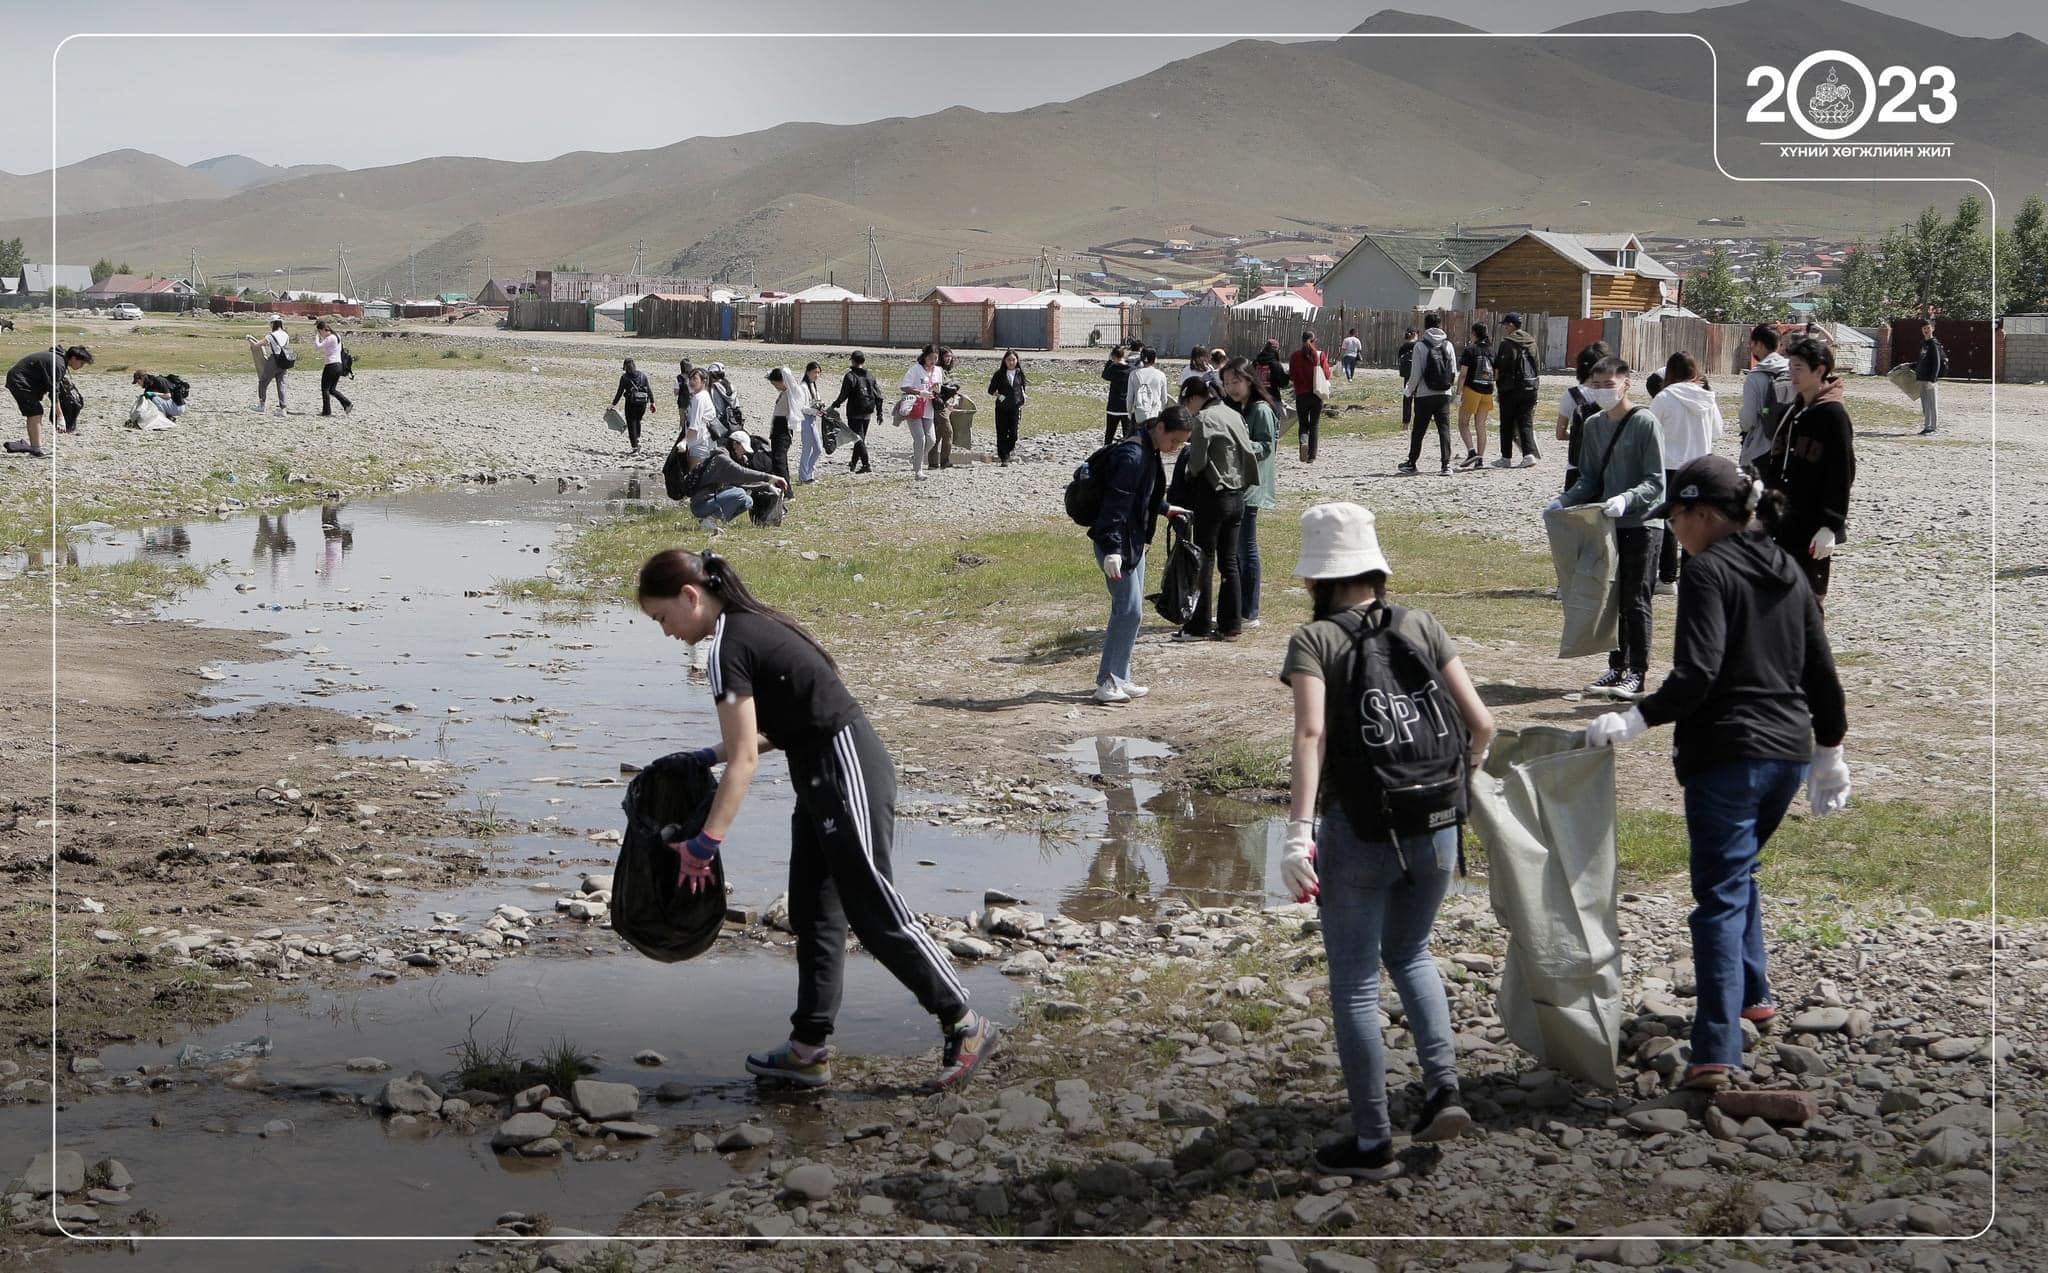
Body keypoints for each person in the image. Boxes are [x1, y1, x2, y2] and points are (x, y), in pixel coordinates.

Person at [635, 549, 998, 1090]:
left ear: (690, 597)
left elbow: (746, 761)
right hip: (818, 773)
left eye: (663, 618)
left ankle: (966, 1022)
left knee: (874, 907)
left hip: (844, 767)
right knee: (814, 913)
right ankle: (808, 1049)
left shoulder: (729, 647)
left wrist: (706, 843)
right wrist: (702, 757)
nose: (666, 632)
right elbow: (782, 722)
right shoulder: (748, 629)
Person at [1585, 453, 1849, 1091]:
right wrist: (1829, 751)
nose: (1673, 529)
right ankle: (1755, 994)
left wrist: (1636, 719)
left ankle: (1717, 1050)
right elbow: (1821, 673)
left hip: (1728, 756)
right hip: (1787, 756)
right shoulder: (1788, 567)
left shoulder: (1708, 572)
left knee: (1718, 899)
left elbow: (1697, 674)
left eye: (1675, 517)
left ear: (1703, 514)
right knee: (1739, 873)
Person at [1279, 501, 1494, 1180]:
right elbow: (1481, 723)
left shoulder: (1314, 642)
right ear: (1374, 565)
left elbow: (1311, 735)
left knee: (1353, 986)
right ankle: (1443, 1089)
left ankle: (1373, 1140)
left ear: (1317, 577)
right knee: (1412, 949)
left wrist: (1296, 833)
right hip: (1434, 827)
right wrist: (1454, 783)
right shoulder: (1420, 624)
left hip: (1359, 832)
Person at [1549, 357, 1667, 700]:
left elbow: (1655, 481)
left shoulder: (1645, 422)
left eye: (1609, 383)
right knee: (1612, 597)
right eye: (1596, 385)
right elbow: (1588, 478)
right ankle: (1617, 666)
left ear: (1626, 382)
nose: (1602, 391)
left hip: (1643, 521)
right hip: (1608, 522)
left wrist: (1627, 500)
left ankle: (1638, 673)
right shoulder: (1594, 424)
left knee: (1636, 598)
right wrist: (1564, 500)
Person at [1089, 407, 1194, 704]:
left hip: (1134, 543)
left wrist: (1166, 508)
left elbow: (1142, 495)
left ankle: (1120, 676)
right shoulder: (1133, 455)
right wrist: (1111, 550)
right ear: (1160, 427)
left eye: (1181, 444)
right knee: (1129, 609)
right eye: (1174, 440)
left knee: (1129, 612)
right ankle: (1107, 682)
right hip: (1118, 545)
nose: (1174, 448)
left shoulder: (1149, 450)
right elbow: (1114, 505)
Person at [1762, 336, 1855, 604]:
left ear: (1820, 370)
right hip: (1783, 522)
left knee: (1808, 603)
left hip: (1812, 526)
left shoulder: (1833, 415)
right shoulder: (1794, 411)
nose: (1792, 373)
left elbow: (1842, 473)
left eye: (1799, 367)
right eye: (1790, 366)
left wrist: (1831, 525)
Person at [1170, 378, 1257, 642]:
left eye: (1187, 403)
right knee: (1229, 562)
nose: (1188, 410)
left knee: (1204, 561)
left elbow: (1197, 462)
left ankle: (1198, 626)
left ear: (1195, 397)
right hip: (1237, 496)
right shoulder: (1234, 414)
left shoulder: (1204, 419)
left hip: (1213, 496)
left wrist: (1186, 474)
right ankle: (1231, 625)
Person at [1646, 351, 1725, 592]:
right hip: (1700, 464)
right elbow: (1717, 432)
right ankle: (1692, 575)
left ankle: (1668, 577)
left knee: (1671, 521)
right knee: (1697, 521)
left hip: (1670, 465)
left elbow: (1651, 430)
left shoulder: (1664, 397)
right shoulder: (1707, 397)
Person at [1223, 356, 1280, 629]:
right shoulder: (1239, 407)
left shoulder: (1259, 409)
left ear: (1249, 380)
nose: (1231, 387)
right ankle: (1240, 607)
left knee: (1246, 549)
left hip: (1252, 487)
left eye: (1236, 381)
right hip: (1238, 485)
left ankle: (1250, 611)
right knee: (1235, 552)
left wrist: (1239, 446)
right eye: (1226, 382)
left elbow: (1267, 445)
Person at [678, 427, 790, 532]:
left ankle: (711, 521)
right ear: (735, 444)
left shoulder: (728, 459)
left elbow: (743, 482)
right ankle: (710, 520)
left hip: (710, 501)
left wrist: (768, 486)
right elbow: (742, 473)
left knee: (748, 501)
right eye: (743, 448)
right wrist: (770, 477)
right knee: (739, 493)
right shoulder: (722, 459)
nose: (744, 452)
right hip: (700, 504)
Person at [5, 345, 90, 457]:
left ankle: (36, 446)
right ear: (74, 358)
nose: (81, 366)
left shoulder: (59, 360)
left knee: (35, 411)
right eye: (82, 363)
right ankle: (36, 449)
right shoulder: (58, 364)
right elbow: (54, 392)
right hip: (19, 381)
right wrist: (60, 417)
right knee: (35, 412)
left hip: (24, 381)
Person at [1399, 312, 1457, 476]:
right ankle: (1446, 465)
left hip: (1425, 393)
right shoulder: (1448, 345)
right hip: (1444, 393)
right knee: (1444, 429)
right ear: (1440, 325)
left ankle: (1412, 462)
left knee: (1419, 430)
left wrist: (1409, 391)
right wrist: (1448, 388)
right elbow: (1453, 370)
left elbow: (1416, 373)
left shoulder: (1420, 346)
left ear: (1425, 326)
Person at [1556, 340, 1611, 490]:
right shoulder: (1613, 394)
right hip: (1609, 464)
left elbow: (1560, 434)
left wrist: (1578, 434)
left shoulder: (1571, 395)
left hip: (1578, 464)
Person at [1490, 313, 1541, 468]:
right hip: (1531, 387)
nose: (1504, 327)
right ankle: (1529, 454)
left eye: (1506, 324)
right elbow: (1537, 365)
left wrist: (1498, 383)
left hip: (1511, 389)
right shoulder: (1532, 342)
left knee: (1507, 423)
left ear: (1512, 325)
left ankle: (1506, 457)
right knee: (1525, 422)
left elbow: (1502, 367)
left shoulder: (1507, 343)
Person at [1737, 325, 1791, 468]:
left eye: (1752, 343)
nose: (1751, 347)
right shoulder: (1793, 370)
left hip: (1761, 446)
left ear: (1759, 345)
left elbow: (1749, 419)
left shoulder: (1754, 377)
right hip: (1789, 444)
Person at [829, 351, 882, 474]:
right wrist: (880, 413)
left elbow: (843, 395)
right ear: (863, 361)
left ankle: (866, 464)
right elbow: (878, 396)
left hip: (854, 412)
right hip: (868, 411)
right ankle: (853, 464)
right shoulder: (870, 376)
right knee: (860, 438)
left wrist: (834, 405)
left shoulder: (850, 376)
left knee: (857, 438)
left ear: (852, 361)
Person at [1454, 322, 1495, 471]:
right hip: (1487, 391)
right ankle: (1480, 459)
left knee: (1463, 423)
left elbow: (1463, 374)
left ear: (1474, 334)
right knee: (1480, 425)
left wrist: (1458, 394)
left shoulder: (1470, 350)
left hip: (1472, 389)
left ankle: (1471, 452)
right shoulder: (1491, 350)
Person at [1288, 331, 1334, 463]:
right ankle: (1312, 456)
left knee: (1303, 424)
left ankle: (1303, 443)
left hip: (1301, 394)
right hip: (1316, 394)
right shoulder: (1319, 355)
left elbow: (1291, 376)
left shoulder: (1294, 356)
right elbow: (1326, 374)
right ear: (1314, 340)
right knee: (1314, 425)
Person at [899, 346, 942, 481]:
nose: (933, 361)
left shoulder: (938, 371)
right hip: (915, 408)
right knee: (920, 439)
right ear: (924, 356)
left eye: (935, 358)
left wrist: (935, 390)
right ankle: (918, 471)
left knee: (931, 440)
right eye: (930, 358)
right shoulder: (916, 369)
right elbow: (904, 386)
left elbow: (939, 388)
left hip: (928, 409)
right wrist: (919, 392)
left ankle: (915, 457)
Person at [987, 349, 1027, 466]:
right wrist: (999, 396)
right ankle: (1004, 457)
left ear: (1017, 360)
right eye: (1009, 360)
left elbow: (1022, 387)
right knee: (1002, 432)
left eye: (1013, 360)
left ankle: (1008, 449)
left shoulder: (1020, 373)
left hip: (1015, 407)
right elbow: (990, 390)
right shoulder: (999, 374)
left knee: (1014, 434)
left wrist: (1023, 397)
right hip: (1002, 408)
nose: (1011, 362)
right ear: (1005, 361)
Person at [309, 320, 354, 420]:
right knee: (332, 389)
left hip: (331, 365)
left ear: (322, 330)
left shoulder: (330, 338)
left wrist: (316, 337)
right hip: (338, 365)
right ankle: (347, 404)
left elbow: (317, 347)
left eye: (320, 332)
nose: (321, 335)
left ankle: (326, 411)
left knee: (325, 389)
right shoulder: (337, 336)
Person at [247, 318, 291, 416]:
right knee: (281, 385)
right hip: (284, 361)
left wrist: (250, 339)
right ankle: (283, 409)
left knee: (263, 382)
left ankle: (261, 406)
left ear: (273, 324)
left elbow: (256, 346)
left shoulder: (271, 336)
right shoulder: (286, 335)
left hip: (274, 361)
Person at [765, 367, 800, 485]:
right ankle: (784, 487)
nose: (775, 387)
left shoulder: (790, 394)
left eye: (775, 384)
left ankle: (786, 491)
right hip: (778, 428)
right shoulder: (785, 393)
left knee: (779, 460)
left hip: (783, 429)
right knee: (779, 460)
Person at [611, 356, 653, 452]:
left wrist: (613, 405)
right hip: (643, 403)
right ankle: (638, 439)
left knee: (631, 423)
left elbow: (619, 392)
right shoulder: (643, 375)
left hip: (631, 403)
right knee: (638, 421)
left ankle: (635, 446)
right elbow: (649, 389)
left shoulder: (624, 377)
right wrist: (652, 402)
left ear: (625, 367)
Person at [927, 347, 959, 470]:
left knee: (938, 434)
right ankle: (943, 461)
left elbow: (956, 387)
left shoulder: (951, 371)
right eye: (946, 356)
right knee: (947, 432)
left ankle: (935, 463)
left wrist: (954, 398)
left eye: (950, 356)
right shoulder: (937, 371)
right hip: (938, 406)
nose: (948, 359)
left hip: (948, 405)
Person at [794, 362, 826, 484]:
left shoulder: (813, 386)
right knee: (807, 449)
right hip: (805, 419)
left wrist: (820, 408)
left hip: (813, 420)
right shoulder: (803, 387)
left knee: (818, 448)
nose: (816, 375)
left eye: (818, 373)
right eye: (814, 372)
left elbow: (815, 402)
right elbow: (802, 407)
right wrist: (814, 410)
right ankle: (804, 477)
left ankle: (809, 473)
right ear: (808, 372)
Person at [1124, 346, 1170, 429]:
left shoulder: (1134, 374)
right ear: (1154, 358)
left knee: (1138, 438)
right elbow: (1164, 398)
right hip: (1155, 412)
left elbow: (1130, 397)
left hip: (1138, 412)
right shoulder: (1161, 375)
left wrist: (1129, 412)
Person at [1914, 318, 1945, 436]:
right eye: (1924, 329)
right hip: (1922, 378)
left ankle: (1933, 426)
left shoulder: (1933, 344)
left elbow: (1936, 363)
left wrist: (1933, 379)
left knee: (1932, 404)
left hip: (1930, 380)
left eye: (1928, 328)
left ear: (1933, 329)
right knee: (1925, 405)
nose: (1926, 330)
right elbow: (1921, 360)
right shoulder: (1923, 344)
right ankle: (1927, 426)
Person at [1100, 344, 1133, 446]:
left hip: (1113, 406)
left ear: (1113, 356)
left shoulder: (1112, 368)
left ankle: (1105, 455)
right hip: (1126, 406)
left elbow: (1104, 375)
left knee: (1109, 435)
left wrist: (1109, 361)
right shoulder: (1131, 369)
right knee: (1127, 435)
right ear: (1123, 355)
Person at [1396, 327, 1419, 428]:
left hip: (1407, 376)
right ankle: (1418, 422)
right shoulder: (1418, 346)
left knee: (1407, 399)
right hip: (1418, 375)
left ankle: (1405, 424)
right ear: (1414, 334)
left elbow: (1399, 359)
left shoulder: (1403, 347)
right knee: (1419, 399)